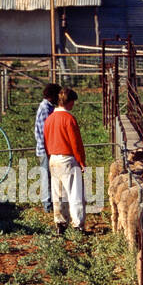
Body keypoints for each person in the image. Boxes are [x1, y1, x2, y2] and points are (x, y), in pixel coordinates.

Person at [43, 86, 88, 235]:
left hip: (53, 158)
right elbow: (76, 143)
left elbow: (46, 140)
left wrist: (50, 156)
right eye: (73, 102)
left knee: (58, 193)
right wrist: (81, 161)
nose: (73, 105)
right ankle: (78, 225)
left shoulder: (49, 119)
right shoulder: (69, 119)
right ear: (68, 102)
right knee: (75, 193)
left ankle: (60, 224)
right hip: (68, 158)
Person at [33, 82, 61, 214]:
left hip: (47, 148)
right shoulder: (45, 109)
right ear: (52, 96)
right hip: (45, 149)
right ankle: (47, 205)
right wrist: (49, 149)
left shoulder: (48, 107)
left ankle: (50, 203)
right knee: (46, 176)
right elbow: (45, 133)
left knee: (49, 176)